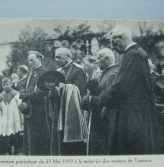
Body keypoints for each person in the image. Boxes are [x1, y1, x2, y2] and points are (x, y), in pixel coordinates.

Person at [82, 26, 157, 155]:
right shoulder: (138, 53)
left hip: (130, 117)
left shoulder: (131, 55)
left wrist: (98, 100)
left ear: (121, 38)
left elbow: (119, 87)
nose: (112, 46)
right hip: (139, 114)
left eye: (113, 41)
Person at [83, 48, 118, 155]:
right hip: (98, 117)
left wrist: (89, 100)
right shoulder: (105, 72)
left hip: (104, 118)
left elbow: (109, 98)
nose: (97, 61)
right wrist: (93, 84)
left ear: (107, 59)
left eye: (99, 58)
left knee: (101, 149)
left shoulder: (113, 74)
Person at [54, 47, 88, 155]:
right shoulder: (58, 71)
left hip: (73, 112)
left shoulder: (78, 69)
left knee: (74, 146)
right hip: (60, 110)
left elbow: (81, 90)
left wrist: (63, 88)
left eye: (58, 57)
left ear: (68, 56)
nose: (56, 59)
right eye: (55, 57)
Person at [19, 51, 50, 155]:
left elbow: (43, 91)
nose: (30, 62)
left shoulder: (45, 72)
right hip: (29, 109)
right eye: (28, 60)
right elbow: (21, 83)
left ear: (40, 59)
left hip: (40, 109)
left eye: (32, 60)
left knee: (38, 136)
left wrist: (26, 95)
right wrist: (22, 91)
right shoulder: (30, 73)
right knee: (29, 136)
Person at [0, 77, 23, 155]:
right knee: (7, 134)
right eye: (3, 85)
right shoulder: (0, 95)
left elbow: (20, 104)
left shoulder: (16, 93)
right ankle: (9, 150)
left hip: (14, 116)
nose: (5, 86)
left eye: (7, 84)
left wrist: (21, 112)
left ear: (11, 84)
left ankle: (16, 150)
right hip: (5, 118)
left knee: (15, 133)